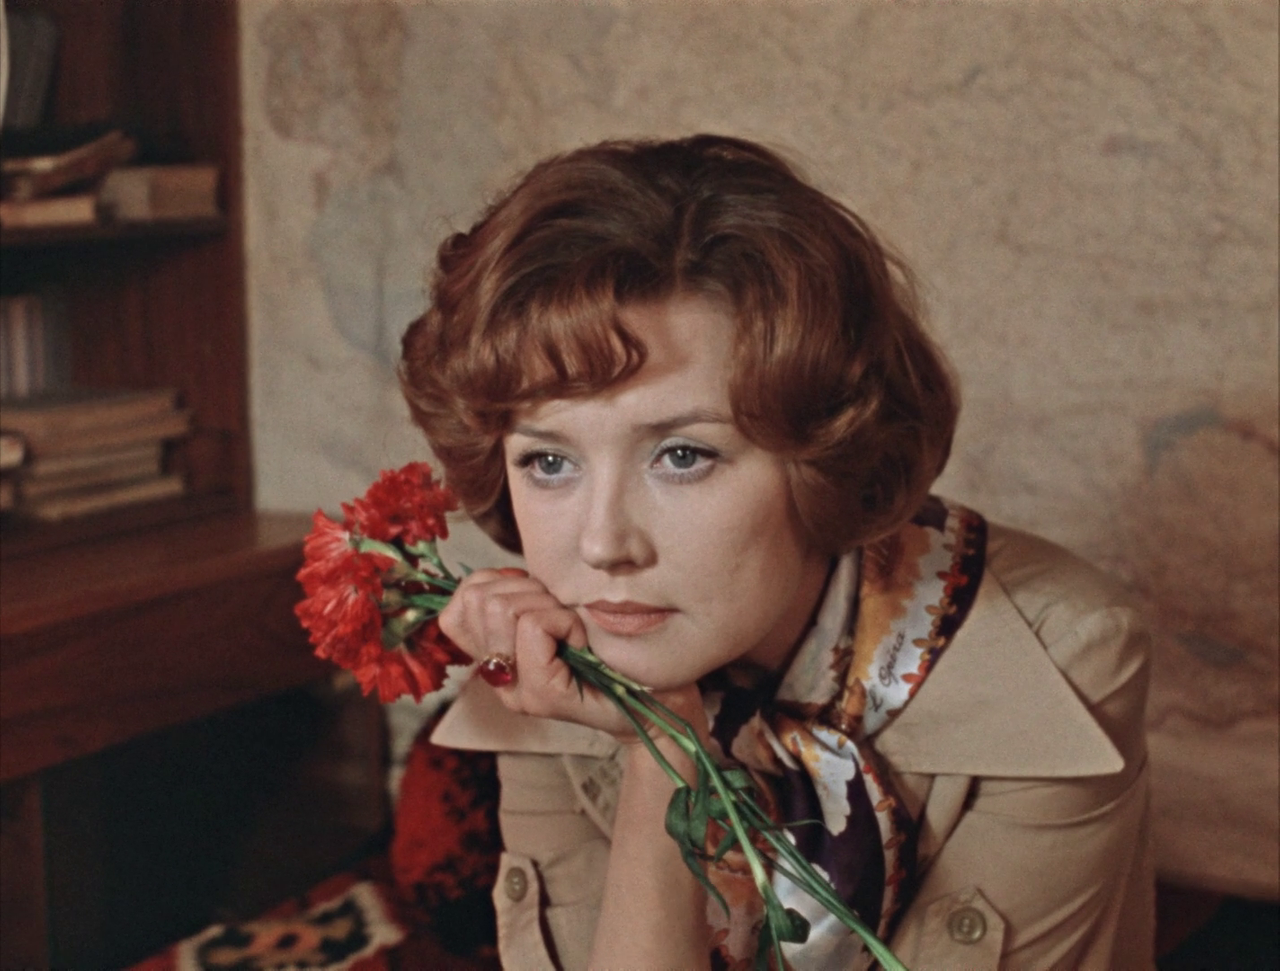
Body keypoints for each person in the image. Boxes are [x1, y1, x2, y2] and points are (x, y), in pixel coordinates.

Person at [399, 134, 1153, 970]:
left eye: (682, 455)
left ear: (822, 454)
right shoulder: (550, 667)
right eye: (549, 462)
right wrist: (664, 753)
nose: (603, 544)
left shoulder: (1062, 658)